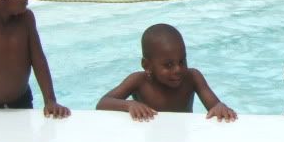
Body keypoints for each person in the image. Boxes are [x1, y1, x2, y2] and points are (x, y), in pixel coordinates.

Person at [97, 23, 237, 121]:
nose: (178, 70)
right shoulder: (139, 81)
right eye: (168, 65)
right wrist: (129, 105)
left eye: (182, 61)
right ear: (147, 65)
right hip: (151, 140)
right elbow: (103, 104)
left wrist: (219, 107)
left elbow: (215, 106)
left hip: (183, 137)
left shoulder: (192, 77)